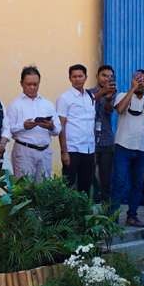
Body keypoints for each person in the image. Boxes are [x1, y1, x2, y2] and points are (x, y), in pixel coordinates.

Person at [112, 69, 144, 227]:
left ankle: (132, 215)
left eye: (143, 80)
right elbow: (119, 109)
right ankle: (111, 218)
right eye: (137, 79)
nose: (140, 82)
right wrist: (133, 89)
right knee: (119, 182)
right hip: (123, 147)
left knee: (138, 184)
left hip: (143, 149)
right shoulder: (122, 95)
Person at [4, 66, 60, 180]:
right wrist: (23, 126)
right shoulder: (15, 105)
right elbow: (7, 129)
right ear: (21, 83)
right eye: (28, 84)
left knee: (43, 191)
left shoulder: (47, 104)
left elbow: (58, 130)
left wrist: (51, 126)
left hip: (45, 152)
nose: (32, 87)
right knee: (24, 190)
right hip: (24, 151)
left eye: (35, 84)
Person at [57, 64, 96, 193]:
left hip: (89, 149)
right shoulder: (64, 98)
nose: (77, 79)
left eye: (80, 76)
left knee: (85, 188)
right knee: (68, 188)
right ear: (69, 78)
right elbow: (60, 126)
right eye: (74, 76)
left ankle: (82, 213)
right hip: (73, 149)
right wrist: (64, 152)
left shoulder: (90, 96)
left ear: (86, 77)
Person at [89, 64, 117, 205]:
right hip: (90, 141)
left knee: (106, 178)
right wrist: (102, 93)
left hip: (106, 140)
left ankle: (107, 213)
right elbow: (89, 103)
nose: (107, 78)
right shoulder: (89, 93)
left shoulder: (113, 94)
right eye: (104, 75)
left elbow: (109, 110)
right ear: (97, 76)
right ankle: (92, 208)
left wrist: (108, 97)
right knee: (90, 177)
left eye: (110, 76)